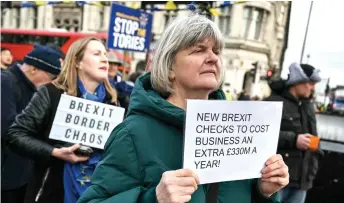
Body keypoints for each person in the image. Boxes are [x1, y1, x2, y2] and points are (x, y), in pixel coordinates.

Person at [78, 15, 289, 203]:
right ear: (169, 66)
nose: (213, 58)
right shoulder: (133, 133)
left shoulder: (239, 130)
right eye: (199, 50)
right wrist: (153, 198)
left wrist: (264, 192)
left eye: (216, 51)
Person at [6, 37, 119, 203]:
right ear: (77, 62)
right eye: (96, 54)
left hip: (98, 193)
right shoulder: (51, 93)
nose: (105, 59)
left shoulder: (115, 102)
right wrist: (54, 152)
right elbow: (15, 135)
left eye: (105, 54)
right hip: (53, 191)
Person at [1, 45, 62, 203]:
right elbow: (6, 128)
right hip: (7, 175)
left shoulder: (29, 86)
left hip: (20, 174)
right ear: (34, 69)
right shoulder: (5, 82)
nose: (53, 82)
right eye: (52, 76)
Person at [266, 63, 323, 203]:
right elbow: (261, 135)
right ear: (297, 81)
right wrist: (294, 139)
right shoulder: (274, 102)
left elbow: (314, 138)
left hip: (302, 181)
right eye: (310, 83)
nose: (313, 88)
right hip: (277, 180)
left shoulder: (308, 106)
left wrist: (312, 169)